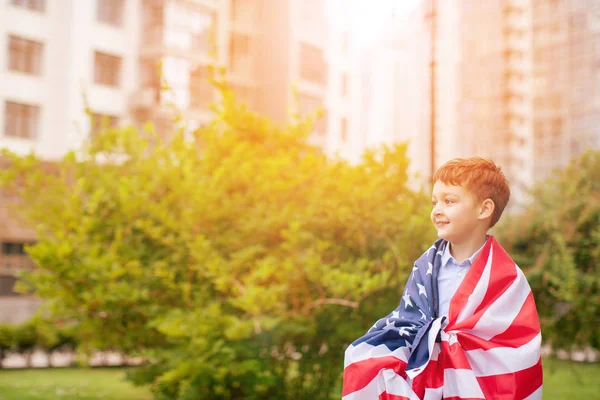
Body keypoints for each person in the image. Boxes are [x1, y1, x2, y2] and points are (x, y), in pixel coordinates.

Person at [342, 157, 543, 400]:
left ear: (484, 209)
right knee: (360, 354)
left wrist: (450, 342)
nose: (437, 210)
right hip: (428, 383)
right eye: (435, 202)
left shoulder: (507, 279)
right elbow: (408, 321)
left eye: (449, 201)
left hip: (475, 387)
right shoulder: (426, 267)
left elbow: (513, 347)